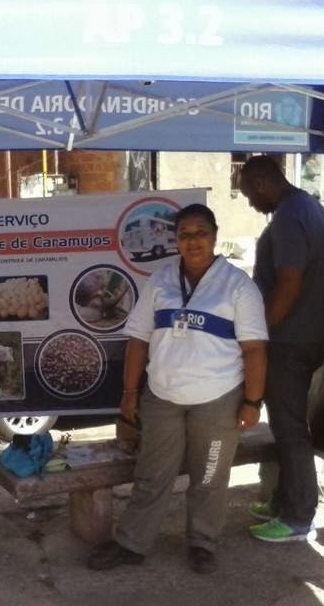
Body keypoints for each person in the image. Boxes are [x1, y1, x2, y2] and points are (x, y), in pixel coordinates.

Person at [87, 203, 268, 574]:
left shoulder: (238, 286)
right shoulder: (161, 281)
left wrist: (253, 401)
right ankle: (132, 543)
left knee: (209, 477)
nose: (192, 241)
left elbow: (254, 349)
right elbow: (138, 340)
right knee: (151, 475)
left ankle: (203, 543)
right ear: (175, 240)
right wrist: (129, 394)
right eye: (184, 235)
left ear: (214, 237)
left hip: (218, 399)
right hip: (162, 397)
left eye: (200, 233)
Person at [239, 155, 324, 543]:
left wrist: (258, 333)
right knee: (283, 425)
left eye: (249, 194)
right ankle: (283, 499)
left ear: (262, 183)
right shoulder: (311, 208)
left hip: (288, 340)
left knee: (291, 430)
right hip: (307, 335)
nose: (250, 203)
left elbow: (289, 285)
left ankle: (297, 517)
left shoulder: (289, 217)